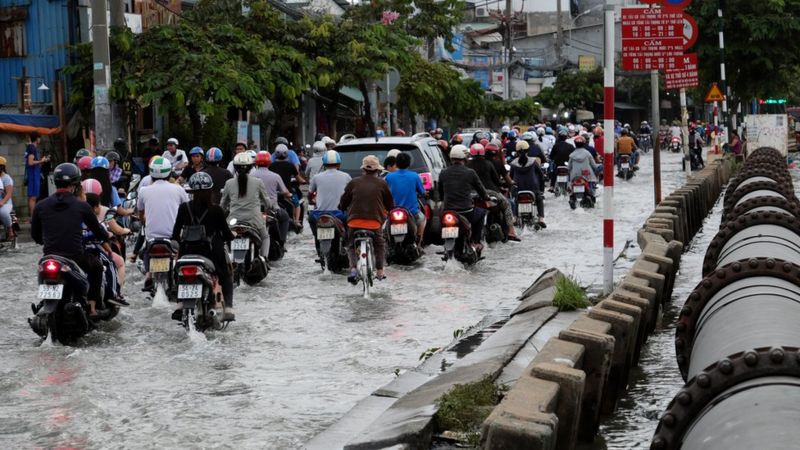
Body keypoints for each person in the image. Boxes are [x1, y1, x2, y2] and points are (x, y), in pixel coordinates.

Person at [31, 163, 124, 316]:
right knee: (97, 267)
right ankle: (92, 307)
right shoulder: (82, 206)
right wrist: (106, 235)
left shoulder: (41, 205)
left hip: (48, 257)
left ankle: (44, 303)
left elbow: (35, 235)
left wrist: (45, 241)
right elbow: (98, 231)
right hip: (74, 257)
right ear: (75, 185)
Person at [172, 172, 236, 321]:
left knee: (177, 272)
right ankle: (228, 308)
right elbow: (226, 234)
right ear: (210, 191)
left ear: (191, 191)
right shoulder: (216, 210)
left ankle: (180, 303)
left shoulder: (183, 208)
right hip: (212, 254)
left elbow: (175, 235)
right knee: (226, 274)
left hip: (187, 252)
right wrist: (232, 236)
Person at [137, 157, 189, 291]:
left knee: (146, 249)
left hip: (152, 237)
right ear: (169, 173)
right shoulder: (178, 189)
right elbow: (187, 210)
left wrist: (144, 220)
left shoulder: (144, 191)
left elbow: (141, 214)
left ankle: (149, 274)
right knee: (182, 251)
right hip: (173, 236)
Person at [339, 155, 394, 283]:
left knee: (351, 244)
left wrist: (342, 207)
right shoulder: (382, 183)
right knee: (379, 243)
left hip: (354, 222)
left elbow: (344, 201)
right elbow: (390, 204)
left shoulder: (354, 182)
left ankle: (353, 268)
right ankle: (380, 270)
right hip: (374, 224)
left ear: (363, 169)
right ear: (377, 170)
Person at [221, 152, 275, 261]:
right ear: (251, 167)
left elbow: (223, 205)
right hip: (254, 220)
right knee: (265, 237)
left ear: (235, 167)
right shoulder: (258, 182)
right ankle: (264, 259)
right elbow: (267, 202)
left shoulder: (229, 183)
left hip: (233, 221)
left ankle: (227, 261)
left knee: (224, 239)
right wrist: (270, 207)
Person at [439, 145, 489, 252]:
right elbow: (481, 190)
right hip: (466, 211)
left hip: (448, 211)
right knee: (481, 213)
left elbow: (440, 192)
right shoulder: (470, 172)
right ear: (464, 158)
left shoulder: (443, 172)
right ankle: (475, 242)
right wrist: (486, 197)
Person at [467, 143, 519, 241]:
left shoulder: (467, 165)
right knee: (507, 204)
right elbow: (496, 180)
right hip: (490, 192)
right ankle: (511, 231)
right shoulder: (489, 164)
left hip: (472, 194)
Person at [83, 179, 129, 289]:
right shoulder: (107, 211)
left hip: (78, 250)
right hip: (99, 247)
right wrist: (126, 231)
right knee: (120, 262)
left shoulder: (75, 210)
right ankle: (117, 291)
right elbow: (115, 229)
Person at [308, 150, 352, 255]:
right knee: (349, 225)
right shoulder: (346, 176)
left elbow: (310, 194)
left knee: (310, 219)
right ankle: (347, 245)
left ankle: (318, 239)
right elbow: (351, 194)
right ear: (339, 163)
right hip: (340, 214)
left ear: (324, 163)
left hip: (319, 215)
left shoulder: (316, 177)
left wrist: (311, 201)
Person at [385, 152, 427, 244]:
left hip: (392, 211)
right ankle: (419, 241)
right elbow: (422, 192)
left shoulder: (389, 176)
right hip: (412, 212)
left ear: (396, 163)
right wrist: (425, 194)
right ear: (409, 163)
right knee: (422, 219)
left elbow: (384, 192)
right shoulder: (414, 175)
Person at [251, 151, 291, 243]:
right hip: (272, 209)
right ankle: (282, 241)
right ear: (269, 162)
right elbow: (285, 192)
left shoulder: (250, 176)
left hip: (254, 209)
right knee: (285, 217)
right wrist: (289, 195)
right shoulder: (275, 176)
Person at [269, 144, 306, 230]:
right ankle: (296, 221)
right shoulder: (290, 165)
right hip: (287, 192)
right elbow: (299, 179)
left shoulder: (271, 166)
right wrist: (304, 181)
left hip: (274, 193)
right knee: (297, 205)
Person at [510, 143, 546, 229]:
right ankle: (541, 219)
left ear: (517, 152)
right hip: (533, 189)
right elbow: (541, 175)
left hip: (518, 188)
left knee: (516, 200)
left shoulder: (513, 163)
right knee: (539, 199)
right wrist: (541, 190)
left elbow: (510, 177)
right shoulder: (533, 162)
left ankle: (514, 218)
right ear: (528, 151)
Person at [25, 132, 49, 217]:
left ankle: (33, 217)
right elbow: (30, 162)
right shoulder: (32, 148)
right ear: (37, 139)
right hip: (33, 176)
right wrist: (41, 161)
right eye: (39, 138)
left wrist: (41, 162)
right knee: (33, 197)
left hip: (33, 174)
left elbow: (33, 163)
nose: (40, 140)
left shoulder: (30, 147)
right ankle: (33, 217)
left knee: (32, 197)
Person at [0, 156, 15, 240]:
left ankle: (10, 229)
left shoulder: (6, 178)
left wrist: (2, 202)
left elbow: (9, 194)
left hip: (5, 203)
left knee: (3, 213)